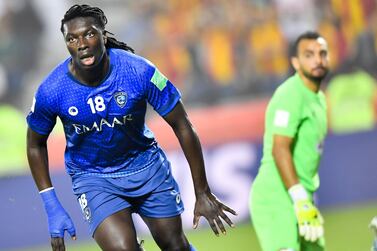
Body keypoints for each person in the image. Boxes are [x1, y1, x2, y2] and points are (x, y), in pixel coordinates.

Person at [26, 4, 236, 251]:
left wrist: (202, 191)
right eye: (72, 38)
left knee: (175, 245)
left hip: (146, 167)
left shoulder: (139, 71)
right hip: (94, 178)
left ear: (104, 35)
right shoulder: (52, 90)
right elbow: (35, 145)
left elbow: (182, 125)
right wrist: (51, 204)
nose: (81, 43)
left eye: (89, 34)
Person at [249, 31, 330, 251]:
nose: (318, 60)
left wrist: (307, 200)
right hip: (277, 197)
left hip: (302, 198)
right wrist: (299, 198)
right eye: (309, 55)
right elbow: (280, 148)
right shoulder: (290, 94)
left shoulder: (319, 99)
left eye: (322, 53)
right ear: (295, 62)